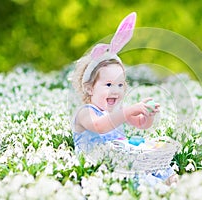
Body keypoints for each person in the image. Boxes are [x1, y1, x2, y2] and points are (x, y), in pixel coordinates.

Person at [70, 12, 177, 185]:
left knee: (158, 164)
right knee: (138, 177)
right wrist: (129, 111)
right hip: (99, 170)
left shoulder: (117, 113)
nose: (116, 91)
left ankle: (174, 182)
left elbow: (142, 124)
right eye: (109, 84)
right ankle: (158, 187)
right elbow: (100, 126)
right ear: (89, 88)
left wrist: (147, 114)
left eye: (120, 85)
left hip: (121, 162)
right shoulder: (85, 113)